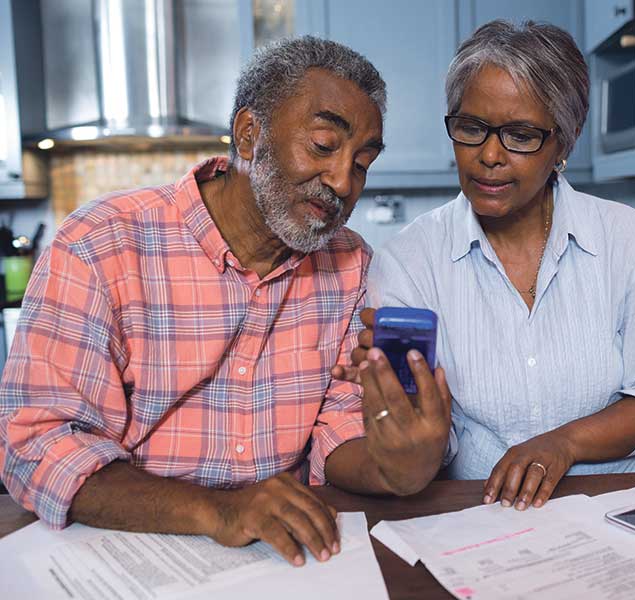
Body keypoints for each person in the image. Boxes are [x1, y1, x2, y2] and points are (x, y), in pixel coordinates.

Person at [0, 37, 451, 566]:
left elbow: (340, 437)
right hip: (119, 549)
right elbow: (37, 447)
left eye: (363, 161)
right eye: (324, 145)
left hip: (281, 556)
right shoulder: (100, 244)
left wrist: (400, 465)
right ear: (248, 134)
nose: (342, 181)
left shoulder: (351, 266)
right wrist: (221, 512)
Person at [335, 20, 635, 512]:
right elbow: (423, 444)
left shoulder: (627, 241)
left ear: (565, 142)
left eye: (521, 135)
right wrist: (403, 409)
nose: (489, 155)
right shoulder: (410, 261)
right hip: (479, 516)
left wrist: (563, 443)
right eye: (471, 128)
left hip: (620, 511)